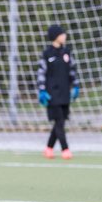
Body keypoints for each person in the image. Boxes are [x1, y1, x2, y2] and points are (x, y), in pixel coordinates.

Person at [37, 24, 80, 159]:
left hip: (65, 93)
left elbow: (72, 70)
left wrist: (76, 86)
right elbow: (41, 73)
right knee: (59, 121)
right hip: (52, 94)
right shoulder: (47, 54)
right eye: (62, 34)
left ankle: (48, 148)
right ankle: (65, 150)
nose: (64, 36)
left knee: (60, 122)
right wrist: (42, 90)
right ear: (56, 36)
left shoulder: (67, 52)